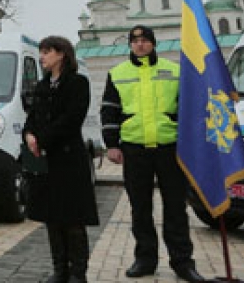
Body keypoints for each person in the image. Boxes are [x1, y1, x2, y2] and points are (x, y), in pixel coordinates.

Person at [101, 25, 206, 282]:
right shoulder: (117, 73)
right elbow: (109, 110)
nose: (140, 44)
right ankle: (145, 260)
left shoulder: (175, 71)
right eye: (135, 40)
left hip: (170, 148)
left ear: (153, 43)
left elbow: (188, 108)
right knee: (140, 208)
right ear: (130, 44)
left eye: (145, 40)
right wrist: (112, 144)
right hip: (134, 149)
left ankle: (183, 262)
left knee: (176, 208)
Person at [23, 36, 98, 283]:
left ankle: (78, 273)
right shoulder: (42, 85)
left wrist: (41, 139)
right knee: (52, 218)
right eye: (41, 52)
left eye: (47, 52)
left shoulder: (77, 83)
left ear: (62, 54)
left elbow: (71, 119)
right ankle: (60, 270)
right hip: (46, 162)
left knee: (73, 219)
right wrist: (29, 134)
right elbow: (32, 116)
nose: (42, 57)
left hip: (69, 160)